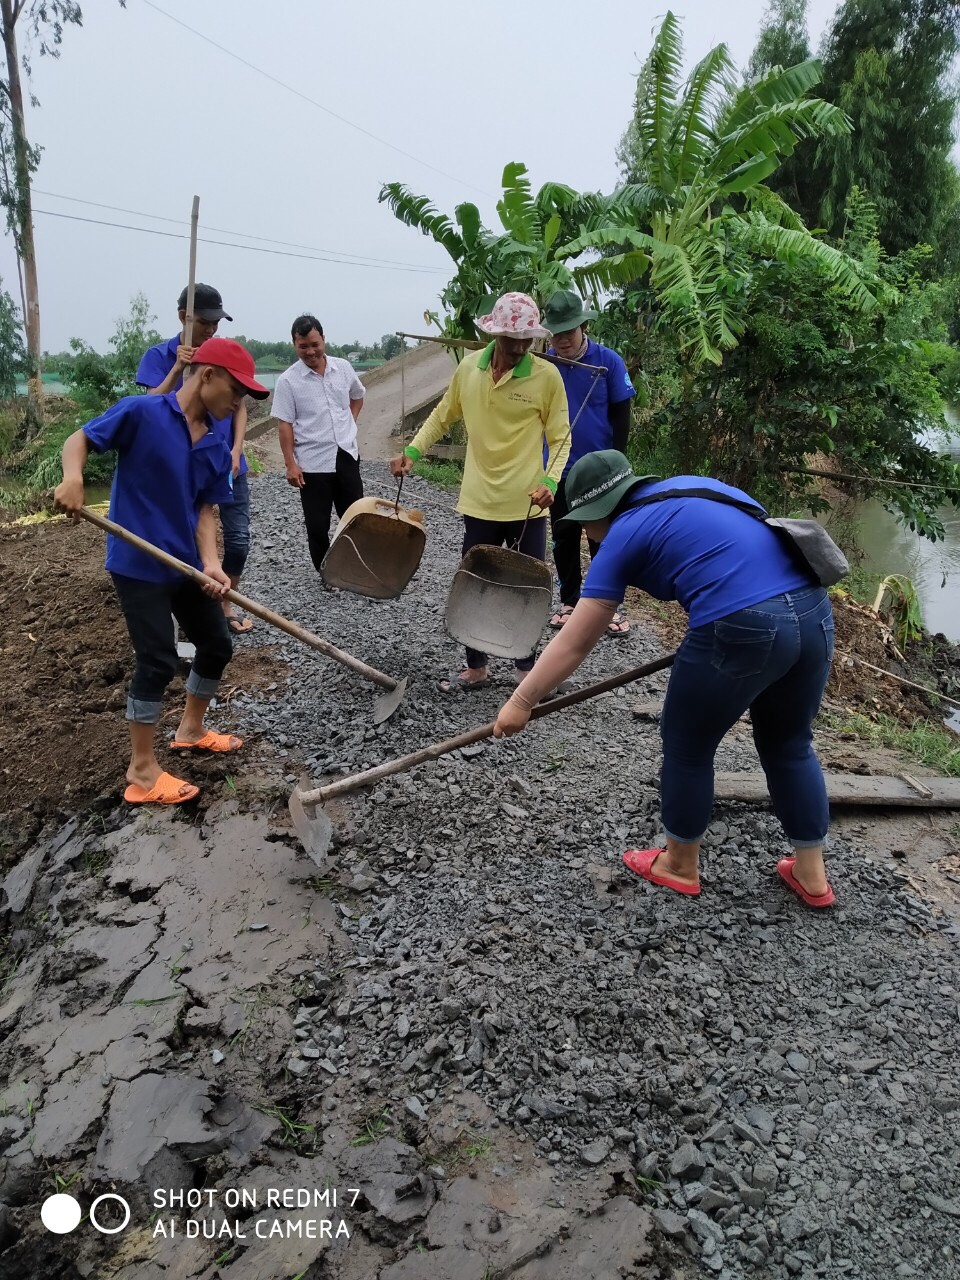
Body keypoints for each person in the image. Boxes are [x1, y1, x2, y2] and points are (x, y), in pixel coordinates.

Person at [493, 449, 837, 908]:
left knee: (688, 745)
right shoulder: (702, 487)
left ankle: (678, 865)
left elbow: (576, 639)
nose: (585, 534)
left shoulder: (621, 535)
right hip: (813, 611)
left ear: (597, 512)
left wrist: (522, 700)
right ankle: (812, 877)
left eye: (583, 524)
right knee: (789, 743)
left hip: (738, 623)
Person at [54, 338, 271, 806]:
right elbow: (80, 439)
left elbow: (206, 511)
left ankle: (191, 729)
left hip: (183, 564)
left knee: (216, 644)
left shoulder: (215, 443)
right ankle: (143, 770)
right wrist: (73, 477)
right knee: (157, 658)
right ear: (207, 374)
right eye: (236, 391)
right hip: (137, 562)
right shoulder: (143, 412)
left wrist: (211, 564)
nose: (238, 404)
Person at [389, 292, 571, 691]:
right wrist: (413, 452)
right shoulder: (469, 370)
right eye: (511, 340)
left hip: (527, 506)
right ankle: (476, 666)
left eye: (527, 341)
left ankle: (527, 671)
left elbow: (561, 439)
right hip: (479, 500)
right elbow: (443, 414)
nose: (519, 348)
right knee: (475, 582)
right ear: (495, 334)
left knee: (527, 588)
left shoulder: (546, 377)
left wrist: (551, 482)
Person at [137, 284, 254, 635]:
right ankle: (186, 613)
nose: (212, 329)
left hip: (226, 462)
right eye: (205, 322)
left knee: (237, 540)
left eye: (217, 321)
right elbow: (149, 405)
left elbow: (240, 409)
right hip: (182, 467)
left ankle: (226, 599)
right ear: (183, 317)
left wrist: (236, 450)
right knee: (187, 537)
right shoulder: (159, 356)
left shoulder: (223, 354)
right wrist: (177, 369)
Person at [541, 289, 636, 637]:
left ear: (583, 326)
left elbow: (621, 413)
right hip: (558, 469)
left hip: (598, 470)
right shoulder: (545, 364)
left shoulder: (607, 361)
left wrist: (618, 464)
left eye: (569, 331)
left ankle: (607, 606)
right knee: (564, 536)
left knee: (604, 539)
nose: (563, 339)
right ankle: (569, 602)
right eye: (556, 332)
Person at [273, 315, 365, 578]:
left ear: (323, 339)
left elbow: (357, 396)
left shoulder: (343, 368)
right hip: (312, 463)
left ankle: (355, 569)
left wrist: (350, 422)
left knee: (355, 519)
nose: (310, 351)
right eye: (303, 346)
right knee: (317, 524)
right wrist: (291, 464)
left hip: (346, 454)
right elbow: (285, 425)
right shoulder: (288, 381)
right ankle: (327, 572)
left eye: (314, 344)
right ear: (294, 344)